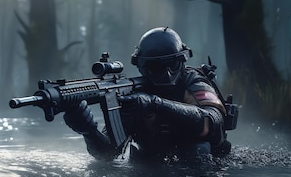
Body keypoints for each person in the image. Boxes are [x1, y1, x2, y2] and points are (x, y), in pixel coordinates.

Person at [63, 27, 231, 161]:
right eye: (156, 68)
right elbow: (108, 154)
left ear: (181, 61)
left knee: (199, 149)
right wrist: (89, 132)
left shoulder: (194, 82)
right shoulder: (133, 95)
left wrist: (155, 103)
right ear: (142, 66)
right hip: (150, 175)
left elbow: (212, 124)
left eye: (172, 65)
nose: (166, 74)